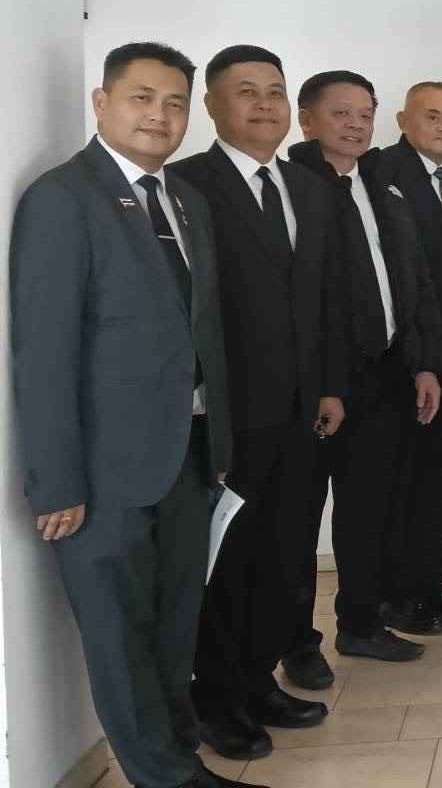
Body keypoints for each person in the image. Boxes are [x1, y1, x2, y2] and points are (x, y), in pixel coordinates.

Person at [11, 42, 260, 788]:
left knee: (174, 621)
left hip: (187, 453)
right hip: (103, 473)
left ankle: (179, 754)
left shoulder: (184, 200)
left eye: (174, 102)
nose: (160, 115)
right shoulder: (62, 198)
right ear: (102, 103)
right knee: (120, 635)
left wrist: (218, 445)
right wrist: (55, 481)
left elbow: (203, 332)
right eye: (142, 98)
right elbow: (43, 352)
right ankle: (162, 777)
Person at [168, 45, 348, 759]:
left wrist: (330, 385)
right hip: (227, 416)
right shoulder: (187, 186)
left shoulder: (307, 186)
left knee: (284, 556)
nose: (265, 104)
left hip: (302, 413)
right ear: (212, 105)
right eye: (247, 92)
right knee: (229, 563)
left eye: (275, 90)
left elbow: (327, 296)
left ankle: (258, 678)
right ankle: (216, 698)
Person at [284, 70, 442, 673]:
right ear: (307, 120)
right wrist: (325, 382)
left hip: (385, 373)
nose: (356, 125)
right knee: (298, 520)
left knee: (369, 509)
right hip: (315, 382)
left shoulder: (382, 187)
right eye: (341, 113)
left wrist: (425, 363)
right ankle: (297, 644)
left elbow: (416, 283)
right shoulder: (293, 188)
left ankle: (360, 623)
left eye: (365, 114)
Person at [370, 82, 442, 634]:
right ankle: (394, 593)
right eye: (433, 117)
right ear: (402, 120)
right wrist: (421, 360)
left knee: (441, 476)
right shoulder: (380, 174)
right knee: (404, 479)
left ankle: (427, 582)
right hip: (408, 359)